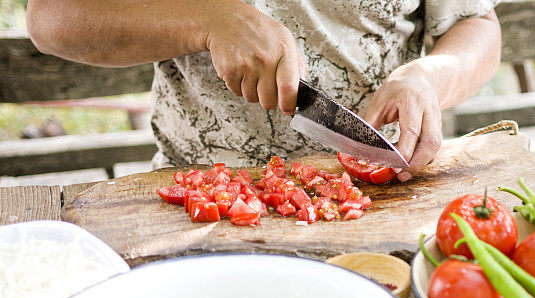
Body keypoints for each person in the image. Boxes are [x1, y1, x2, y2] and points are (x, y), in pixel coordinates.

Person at [26, 0, 501, 181]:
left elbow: (478, 24)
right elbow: (50, 16)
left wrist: (429, 76)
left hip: (378, 191)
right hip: (202, 194)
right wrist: (207, 19)